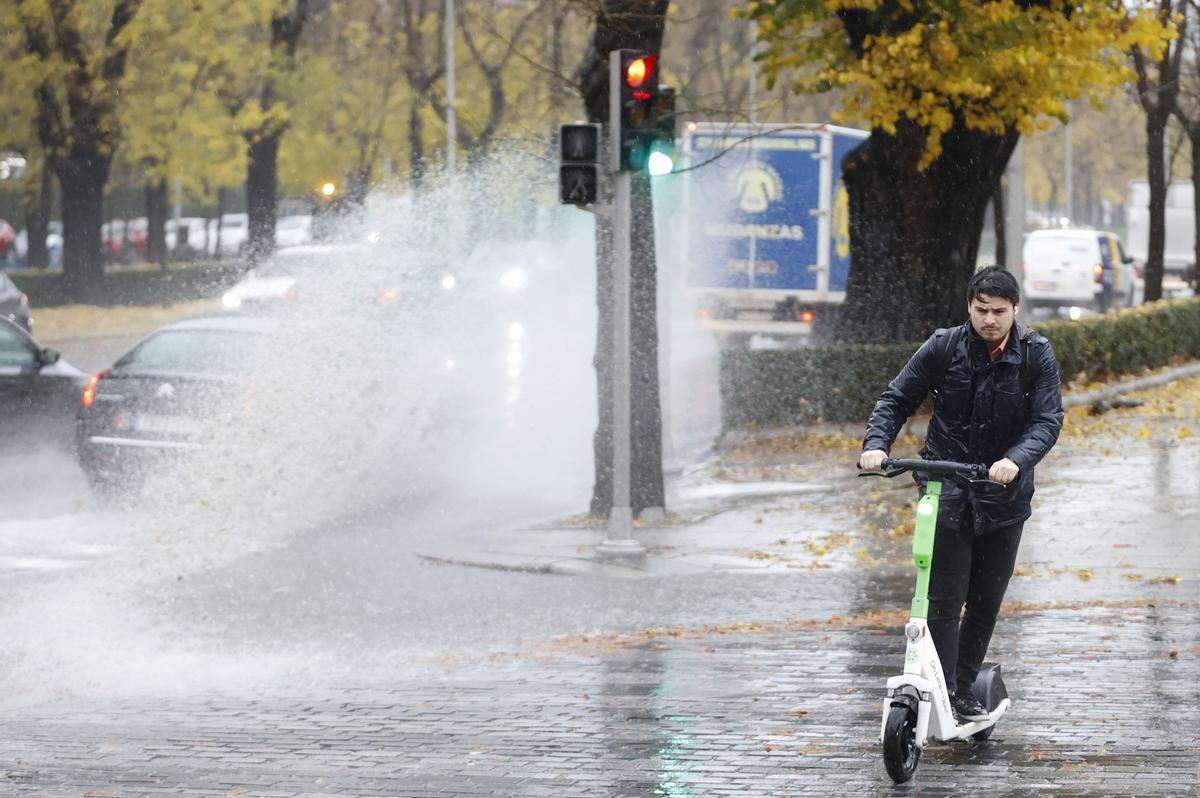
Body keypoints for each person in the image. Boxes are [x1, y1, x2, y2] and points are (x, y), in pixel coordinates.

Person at [857, 265, 1063, 722]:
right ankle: (944, 689)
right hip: (946, 489)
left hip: (1004, 497)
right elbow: (897, 398)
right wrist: (876, 444)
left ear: (1015, 310)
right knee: (944, 599)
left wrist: (1016, 459)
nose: (989, 319)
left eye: (999, 311)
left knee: (986, 600)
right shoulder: (945, 346)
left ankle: (965, 687)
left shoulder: (1036, 354)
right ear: (969, 306)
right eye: (981, 310)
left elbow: (1047, 420)